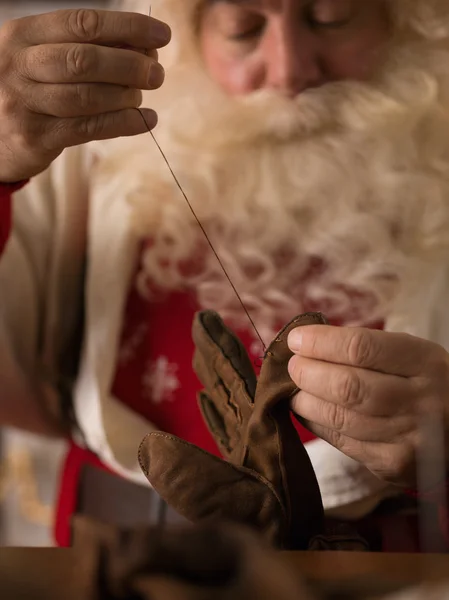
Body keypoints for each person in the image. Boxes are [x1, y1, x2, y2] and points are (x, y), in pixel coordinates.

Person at [0, 0, 448, 551]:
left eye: (331, 17)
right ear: (190, 33)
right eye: (244, 28)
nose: (289, 71)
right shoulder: (85, 162)